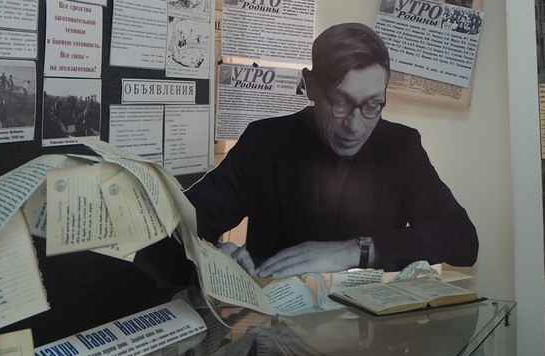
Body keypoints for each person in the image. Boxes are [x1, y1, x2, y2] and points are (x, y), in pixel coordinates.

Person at [185, 22, 478, 278]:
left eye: (373, 105)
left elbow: (462, 239)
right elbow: (182, 227)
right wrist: (214, 256)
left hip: (364, 322)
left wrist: (356, 251)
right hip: (277, 317)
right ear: (311, 86)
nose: (355, 126)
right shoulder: (265, 141)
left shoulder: (401, 146)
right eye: (341, 103)